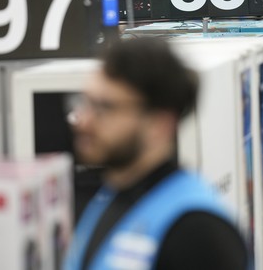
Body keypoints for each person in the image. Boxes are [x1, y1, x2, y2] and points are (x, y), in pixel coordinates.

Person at [62, 37, 248, 270]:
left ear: (159, 125)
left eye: (105, 108)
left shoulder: (198, 231)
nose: (84, 121)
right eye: (85, 102)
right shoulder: (109, 198)